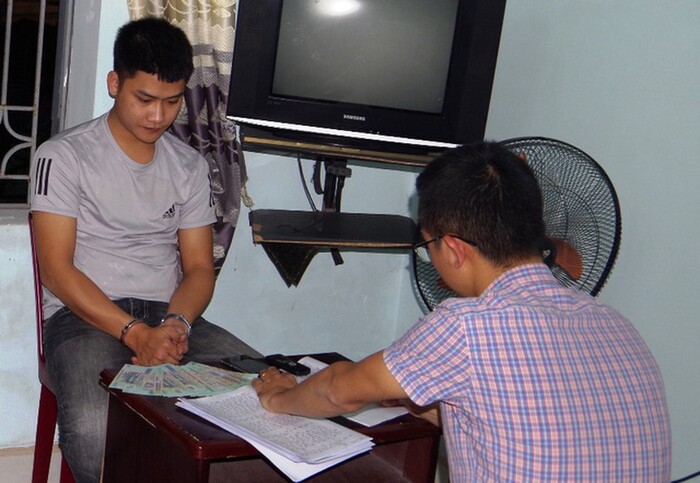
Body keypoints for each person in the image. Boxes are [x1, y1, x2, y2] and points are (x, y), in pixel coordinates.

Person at [253, 141, 672, 482]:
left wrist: (278, 397)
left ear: (453, 249)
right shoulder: (614, 323)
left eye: (428, 245)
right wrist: (434, 408)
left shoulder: (466, 326)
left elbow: (337, 390)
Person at [30, 17, 260, 483]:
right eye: (145, 99)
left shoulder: (189, 166)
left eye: (172, 102)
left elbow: (199, 268)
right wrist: (136, 334)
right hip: (83, 319)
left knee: (264, 399)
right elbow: (55, 271)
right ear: (115, 84)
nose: (158, 116)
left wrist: (175, 324)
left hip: (167, 316)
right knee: (97, 432)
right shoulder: (63, 156)